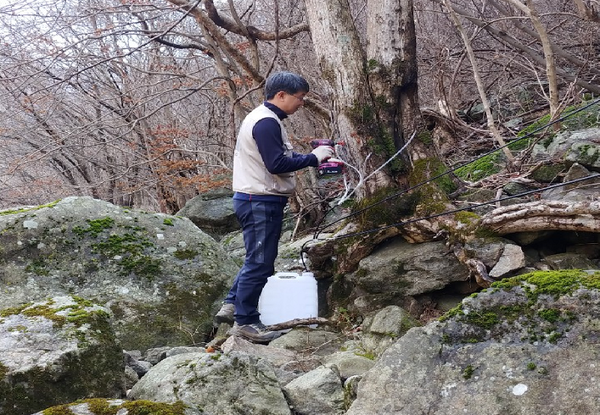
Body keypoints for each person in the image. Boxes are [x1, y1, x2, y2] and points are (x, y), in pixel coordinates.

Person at [214, 71, 333, 343]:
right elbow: (276, 164)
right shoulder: (266, 122)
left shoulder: (265, 118)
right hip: (260, 200)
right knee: (261, 262)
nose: (301, 103)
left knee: (257, 257)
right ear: (281, 95)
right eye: (299, 98)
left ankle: (232, 303)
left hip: (257, 198)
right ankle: (245, 322)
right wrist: (313, 159)